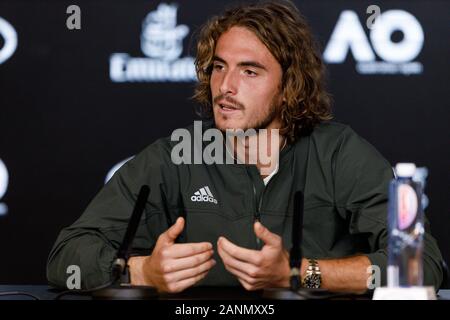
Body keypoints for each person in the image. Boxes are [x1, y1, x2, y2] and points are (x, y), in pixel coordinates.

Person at [47, 0, 443, 294]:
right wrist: (140, 272)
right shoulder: (176, 156)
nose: (225, 86)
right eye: (219, 67)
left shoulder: (339, 153)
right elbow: (66, 257)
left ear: (290, 85)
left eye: (249, 71)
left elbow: (421, 265)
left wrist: (299, 273)